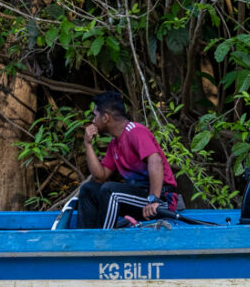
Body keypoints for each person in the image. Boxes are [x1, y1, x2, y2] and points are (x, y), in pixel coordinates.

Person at [77, 92, 182, 228]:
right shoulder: (114, 145)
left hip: (160, 200)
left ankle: (103, 241)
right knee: (88, 189)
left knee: (111, 191)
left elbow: (155, 161)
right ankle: (85, 241)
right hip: (138, 198)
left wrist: (154, 199)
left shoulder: (135, 131)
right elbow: (100, 176)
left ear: (105, 118)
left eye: (95, 115)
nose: (93, 121)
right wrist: (88, 145)